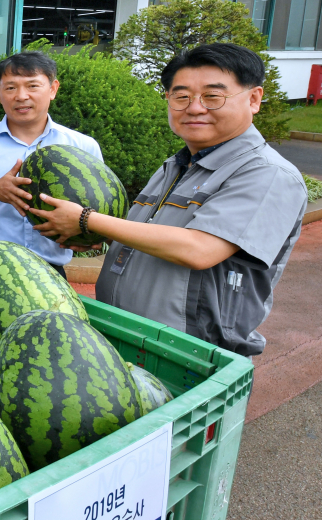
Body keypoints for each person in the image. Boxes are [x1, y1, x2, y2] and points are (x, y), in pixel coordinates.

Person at [31, 44, 307, 356]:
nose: (195, 108)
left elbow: (200, 249)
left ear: (254, 99)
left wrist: (87, 219)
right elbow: (155, 235)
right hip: (128, 337)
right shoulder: (177, 166)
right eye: (181, 96)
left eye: (213, 97)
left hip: (189, 352)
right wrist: (103, 238)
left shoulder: (268, 174)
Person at [0, 51, 102, 276]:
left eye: (32, 86)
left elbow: (98, 214)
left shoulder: (82, 146)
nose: (21, 96)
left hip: (50, 273)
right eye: (11, 87)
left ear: (53, 89)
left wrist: (88, 235)